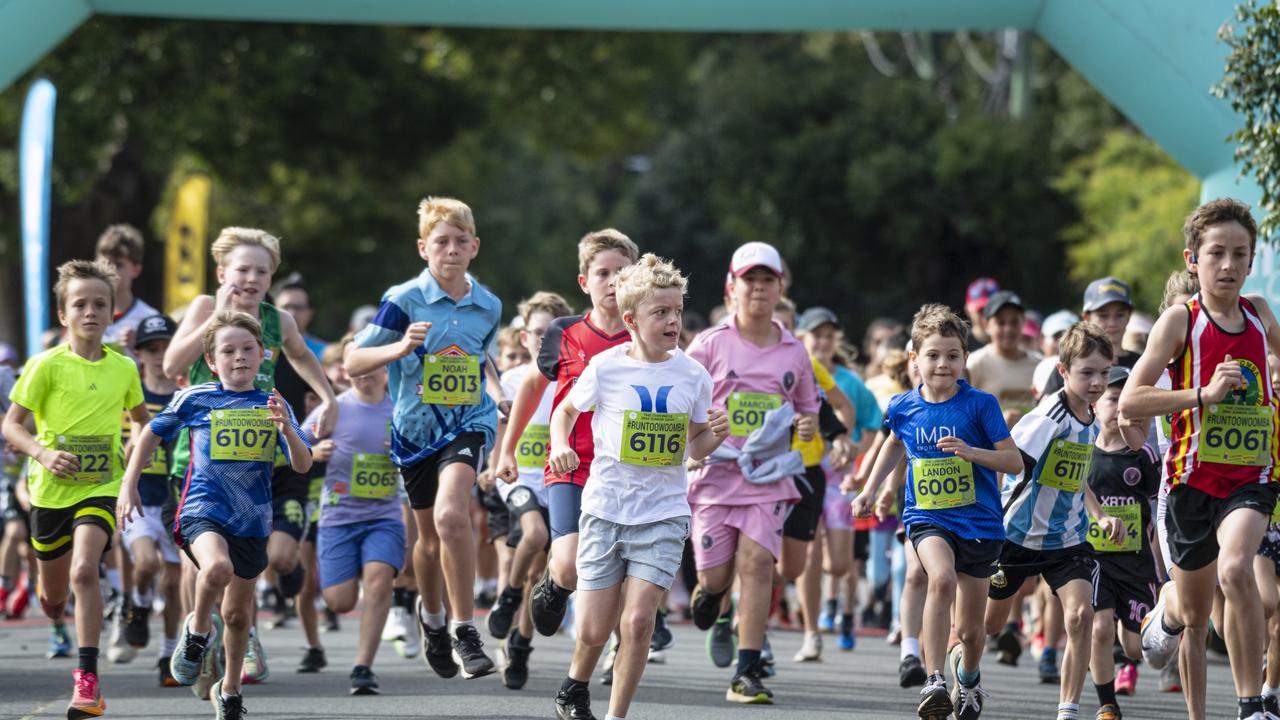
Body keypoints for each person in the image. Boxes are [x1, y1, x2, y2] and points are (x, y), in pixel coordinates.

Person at [548, 253, 728, 720]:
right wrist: (560, 446)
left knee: (639, 620)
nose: (673, 321)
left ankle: (616, 716)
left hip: (663, 514)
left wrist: (716, 435)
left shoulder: (693, 374)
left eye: (677, 311)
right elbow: (565, 411)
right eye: (661, 313)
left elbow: (695, 446)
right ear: (630, 319)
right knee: (591, 630)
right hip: (606, 508)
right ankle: (574, 686)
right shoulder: (606, 368)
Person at [1121, 198, 1280, 720]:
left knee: (1236, 569)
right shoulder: (1178, 322)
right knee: (1192, 611)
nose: (1228, 265)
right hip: (1192, 480)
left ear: (1252, 261)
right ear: (1193, 260)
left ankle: (1251, 704)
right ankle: (1163, 616)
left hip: (1252, 476)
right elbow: (1132, 399)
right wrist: (1202, 395)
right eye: (1217, 254)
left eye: (1240, 254)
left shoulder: (1259, 313)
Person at [164, 226, 337, 687]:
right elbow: (170, 366)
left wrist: (328, 395)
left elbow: (300, 355)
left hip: (252, 459)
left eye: (262, 270)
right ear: (223, 272)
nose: (252, 277)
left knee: (243, 560)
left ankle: (245, 629)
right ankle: (198, 641)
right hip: (195, 459)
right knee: (200, 563)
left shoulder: (276, 320)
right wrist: (217, 313)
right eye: (242, 268)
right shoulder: (205, 306)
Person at [119, 310, 312, 720]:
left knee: (240, 616)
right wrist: (128, 483)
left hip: (253, 519)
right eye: (228, 351)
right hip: (202, 508)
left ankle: (230, 690)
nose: (238, 357)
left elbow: (302, 465)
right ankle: (197, 630)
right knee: (217, 567)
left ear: (262, 355)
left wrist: (288, 432)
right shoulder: (195, 398)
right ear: (212, 361)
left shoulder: (274, 403)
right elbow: (151, 434)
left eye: (247, 349)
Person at [346, 196, 503, 680]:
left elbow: (482, 359)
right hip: (415, 431)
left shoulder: (489, 304)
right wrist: (400, 346)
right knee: (429, 540)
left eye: (461, 242)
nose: (451, 250)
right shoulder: (403, 300)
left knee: (453, 513)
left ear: (475, 247)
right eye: (442, 242)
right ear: (423, 247)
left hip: (469, 422)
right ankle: (431, 619)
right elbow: (353, 362)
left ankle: (463, 629)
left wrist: (499, 395)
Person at [853, 303, 1022, 720]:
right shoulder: (902, 406)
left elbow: (1014, 462)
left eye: (951, 355)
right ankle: (933, 679)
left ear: (965, 358)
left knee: (970, 631)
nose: (942, 364)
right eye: (932, 355)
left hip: (980, 523)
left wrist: (972, 453)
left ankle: (969, 677)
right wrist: (868, 489)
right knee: (940, 579)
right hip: (927, 517)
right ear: (914, 359)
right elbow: (892, 444)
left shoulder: (981, 405)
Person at [494, 230, 639, 715]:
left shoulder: (647, 336)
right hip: (570, 467)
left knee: (610, 581)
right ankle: (553, 585)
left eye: (623, 273)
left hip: (624, 476)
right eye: (603, 274)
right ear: (585, 281)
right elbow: (535, 389)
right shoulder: (564, 332)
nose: (614, 282)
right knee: (568, 565)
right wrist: (507, 451)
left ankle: (579, 680)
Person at [3, 260, 149, 720]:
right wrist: (43, 455)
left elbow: (144, 423)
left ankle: (87, 683)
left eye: (100, 304)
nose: (91, 312)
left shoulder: (124, 368)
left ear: (112, 314)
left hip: (101, 486)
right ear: (63, 315)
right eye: (80, 304)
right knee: (55, 597)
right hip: (49, 493)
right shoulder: (44, 365)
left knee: (86, 570)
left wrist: (130, 471)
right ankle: (51, 605)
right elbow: (11, 426)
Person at [685, 241, 820, 705]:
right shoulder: (708, 345)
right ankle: (716, 605)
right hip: (715, 478)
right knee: (716, 577)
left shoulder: (794, 351)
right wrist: (692, 446)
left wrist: (806, 425)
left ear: (780, 287)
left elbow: (807, 412)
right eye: (750, 280)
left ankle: (747, 670)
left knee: (759, 563)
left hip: (766, 478)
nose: (759, 288)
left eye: (768, 280)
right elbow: (684, 405)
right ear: (731, 286)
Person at [985, 322, 1140, 720]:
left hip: (1066, 540)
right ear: (1064, 370)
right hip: (1017, 535)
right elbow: (1009, 462)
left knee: (1081, 615)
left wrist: (1100, 516)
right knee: (985, 626)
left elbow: (1076, 477)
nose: (1096, 382)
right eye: (1087, 372)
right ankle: (961, 668)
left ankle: (1067, 710)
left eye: (1104, 372)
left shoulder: (1090, 415)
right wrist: (987, 517)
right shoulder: (1048, 417)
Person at [488, 292, 574, 690]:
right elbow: (502, 430)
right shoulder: (511, 379)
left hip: (558, 483)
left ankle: (520, 645)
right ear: (523, 338)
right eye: (536, 333)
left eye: (550, 334)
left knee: (542, 573)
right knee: (535, 535)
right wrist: (492, 467)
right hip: (519, 480)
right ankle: (506, 596)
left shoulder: (572, 379)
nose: (543, 341)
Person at [309, 337, 403, 696]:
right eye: (356, 370)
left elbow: (425, 453)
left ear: (384, 369)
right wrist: (316, 450)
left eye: (371, 368)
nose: (364, 376)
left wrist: (401, 451)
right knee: (340, 601)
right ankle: (341, 591)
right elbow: (297, 443)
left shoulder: (400, 409)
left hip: (384, 514)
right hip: (338, 516)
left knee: (379, 580)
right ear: (347, 372)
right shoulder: (334, 408)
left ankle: (363, 666)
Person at [1086, 366, 1160, 720]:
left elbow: (1164, 505)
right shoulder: (1082, 452)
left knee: (1134, 647)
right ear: (1095, 405)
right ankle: (1107, 704)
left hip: (1136, 563)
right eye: (1112, 399)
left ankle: (1128, 657)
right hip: (1094, 560)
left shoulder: (1142, 456)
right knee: (1099, 628)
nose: (1117, 408)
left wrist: (1164, 567)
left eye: (1125, 400)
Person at [117, 314, 184, 686]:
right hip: (139, 498)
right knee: (144, 564)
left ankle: (168, 654)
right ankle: (138, 605)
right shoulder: (130, 394)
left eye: (166, 348)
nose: (160, 356)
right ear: (138, 354)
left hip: (174, 499)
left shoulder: (183, 396)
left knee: (174, 584)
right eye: (152, 349)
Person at [1041, 278, 1137, 397]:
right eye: (1103, 316)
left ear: (1129, 317)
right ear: (1086, 317)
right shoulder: (1074, 362)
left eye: (1120, 315)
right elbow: (1045, 405)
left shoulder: (1142, 363)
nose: (1112, 323)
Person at [966, 290, 1041, 422]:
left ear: (1023, 322)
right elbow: (963, 411)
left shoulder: (1039, 364)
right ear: (986, 325)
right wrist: (996, 424)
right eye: (1001, 323)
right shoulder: (974, 364)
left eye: (1014, 322)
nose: (1008, 329)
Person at [95, 223, 159, 350]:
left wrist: (140, 346)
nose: (110, 270)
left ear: (136, 270)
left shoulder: (150, 320)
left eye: (119, 265)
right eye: (105, 263)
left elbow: (160, 367)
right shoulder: (83, 313)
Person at [964, 278, 1000, 350]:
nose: (986, 316)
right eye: (981, 310)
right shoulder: (959, 345)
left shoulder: (1017, 342)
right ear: (968, 311)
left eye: (992, 309)